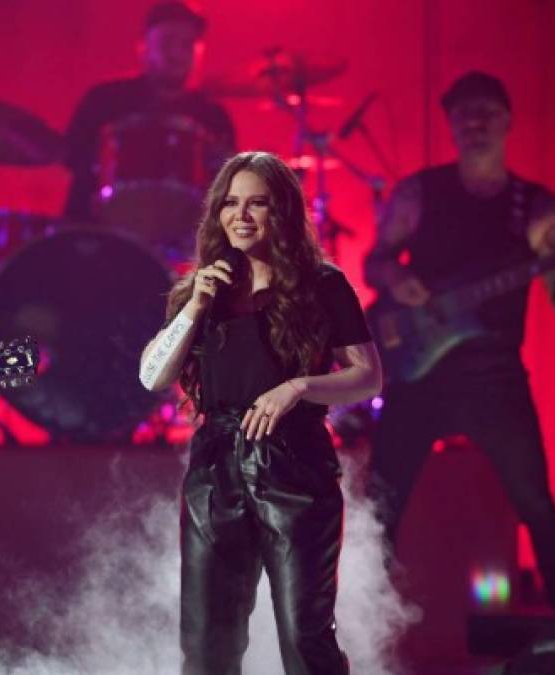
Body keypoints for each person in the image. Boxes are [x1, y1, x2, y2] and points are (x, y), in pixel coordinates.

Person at [364, 71, 555, 619]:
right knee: (380, 507)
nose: (474, 123)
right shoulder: (418, 194)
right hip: (419, 376)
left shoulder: (536, 209)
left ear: (508, 122)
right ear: (450, 125)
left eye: (486, 113)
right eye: (463, 114)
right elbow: (374, 262)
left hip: (494, 377)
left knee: (535, 504)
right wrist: (394, 281)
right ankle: (352, 629)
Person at [139, 151, 382, 674]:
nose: (241, 215)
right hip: (215, 469)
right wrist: (195, 306)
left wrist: (298, 387)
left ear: (284, 213)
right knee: (207, 644)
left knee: (304, 636)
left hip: (294, 464)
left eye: (258, 203)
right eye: (230, 203)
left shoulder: (322, 283)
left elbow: (368, 376)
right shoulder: (202, 289)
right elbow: (151, 375)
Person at [63, 0, 235, 247]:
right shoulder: (104, 100)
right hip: (99, 240)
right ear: (143, 47)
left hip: (182, 250)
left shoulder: (213, 117)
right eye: (167, 42)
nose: (177, 53)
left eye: (187, 45)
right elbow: (71, 156)